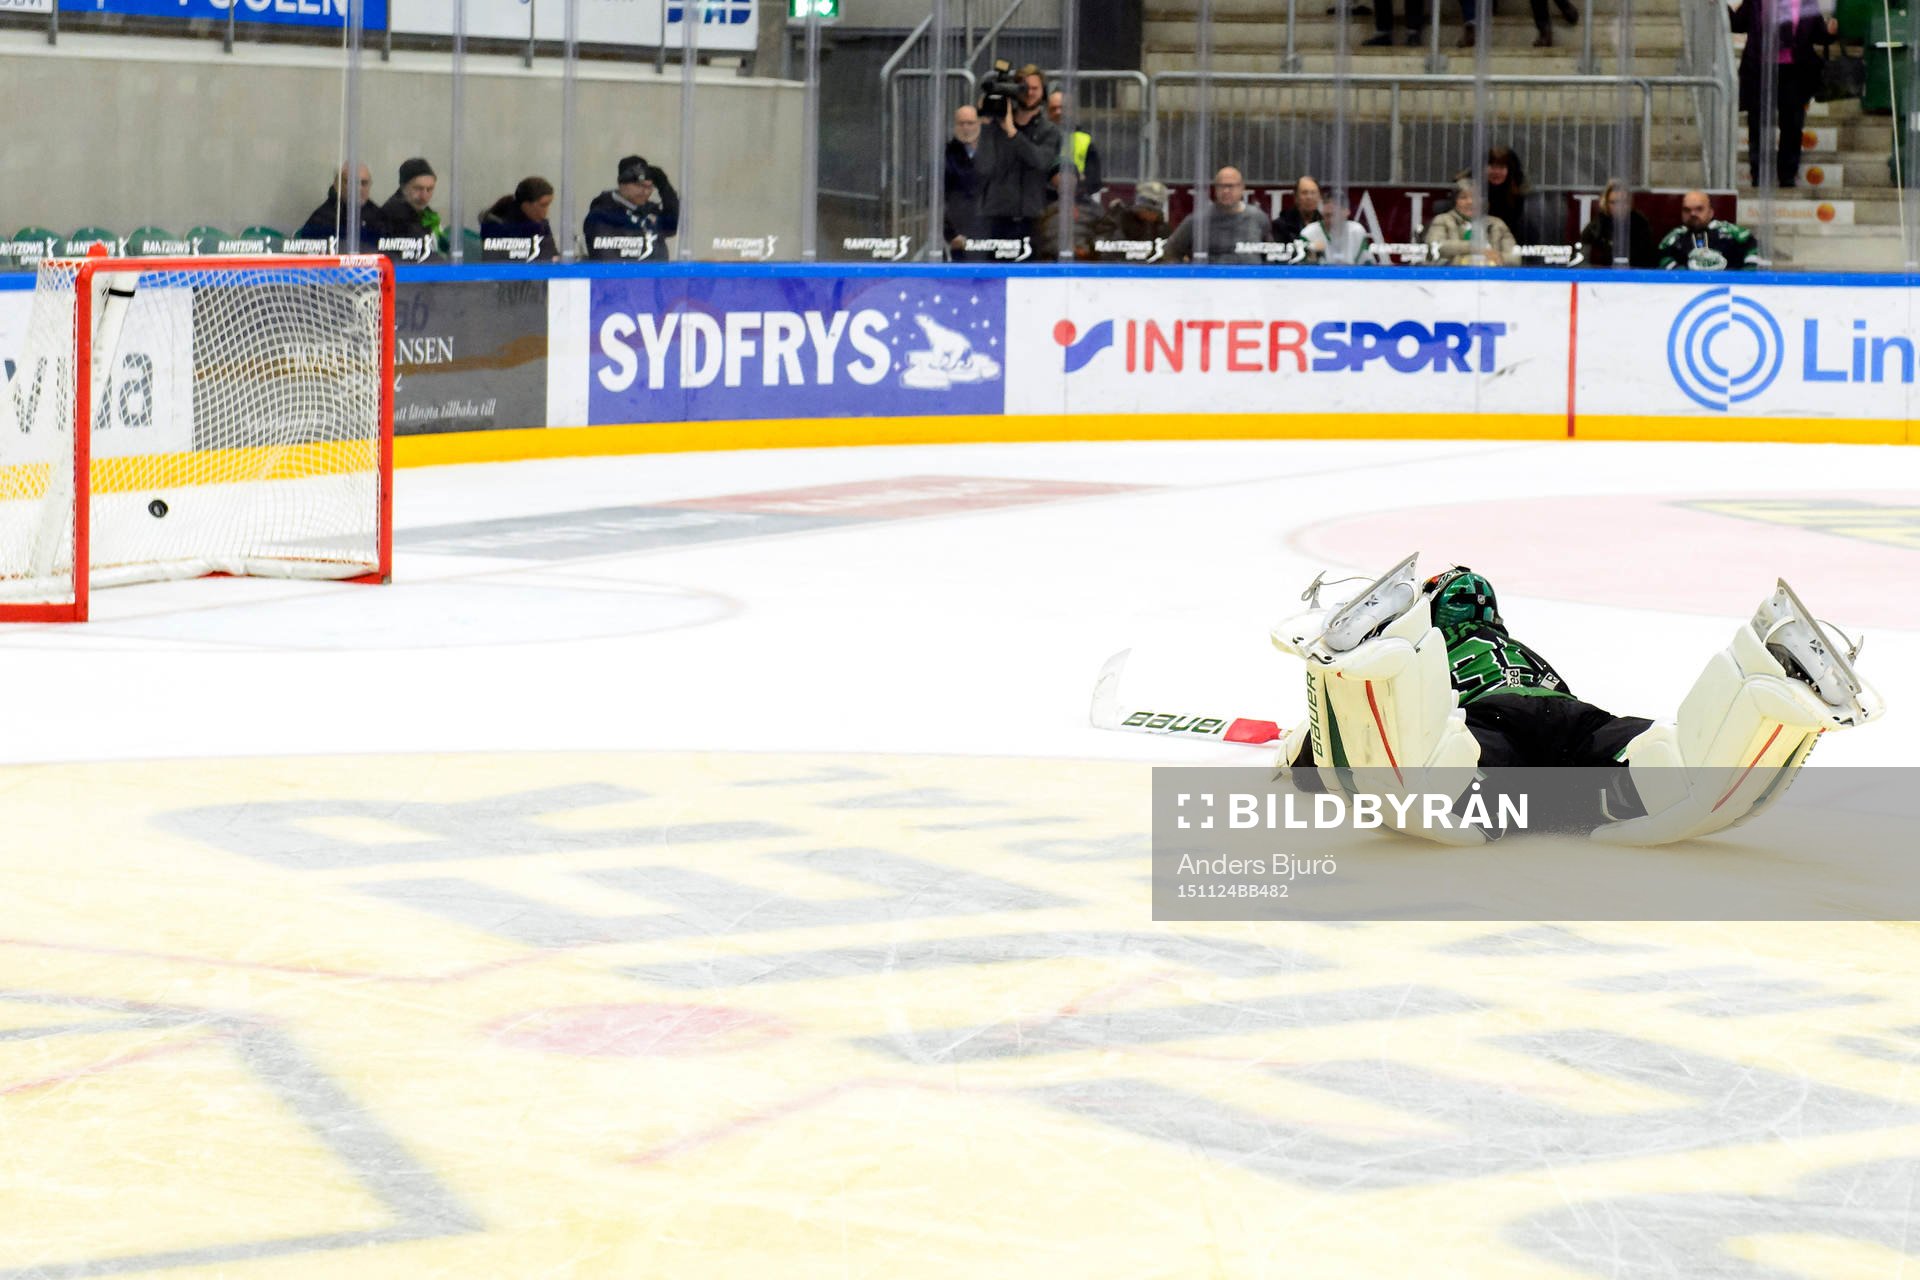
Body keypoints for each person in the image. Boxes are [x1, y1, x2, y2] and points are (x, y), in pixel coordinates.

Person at [1273, 557, 1882, 844]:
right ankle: (1771, 670)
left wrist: (1300, 753)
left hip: (1493, 730)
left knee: (1431, 778)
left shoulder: (1441, 650)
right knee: (1671, 766)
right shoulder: (1517, 647)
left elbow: (1333, 763)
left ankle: (1372, 644)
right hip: (1577, 726)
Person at [1731, 0, 1838, 187]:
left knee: (1792, 126)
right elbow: (1739, 23)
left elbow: (1818, 35)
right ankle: (1759, 175)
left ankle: (1787, 175)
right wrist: (1721, 8)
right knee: (1758, 125)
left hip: (1795, 72)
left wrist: (1830, 33)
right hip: (1760, 70)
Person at [974, 64, 1060, 246]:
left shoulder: (1049, 131)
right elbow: (983, 167)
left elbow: (1040, 161)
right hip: (996, 217)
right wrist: (985, 123)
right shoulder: (995, 128)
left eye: (1035, 88)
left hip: (1032, 218)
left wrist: (1013, 132)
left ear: (1043, 92)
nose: (1029, 93)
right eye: (1023, 88)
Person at [1163, 166, 1276, 264]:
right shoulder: (1198, 220)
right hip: (1209, 284)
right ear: (1215, 189)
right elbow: (1170, 252)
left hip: (1253, 282)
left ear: (1242, 188)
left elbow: (1271, 253)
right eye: (1221, 186)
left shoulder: (1258, 218)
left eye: (1231, 186)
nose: (1226, 191)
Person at [582, 155, 679, 262]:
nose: (645, 192)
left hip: (656, 276)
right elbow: (606, 257)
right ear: (622, 185)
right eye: (639, 186)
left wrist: (664, 187)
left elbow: (671, 228)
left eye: (649, 187)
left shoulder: (649, 210)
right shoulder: (602, 215)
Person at [1421, 181, 1518, 265]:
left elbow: (1515, 257)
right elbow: (1435, 246)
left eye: (1475, 197)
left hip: (1492, 278)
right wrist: (1475, 248)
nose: (1470, 202)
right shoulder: (1442, 220)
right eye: (1463, 198)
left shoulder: (1497, 224)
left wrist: (1499, 257)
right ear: (1455, 201)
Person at [1658, 190, 1758, 270]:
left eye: (1699, 209)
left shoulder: (1732, 233)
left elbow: (1753, 248)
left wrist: (1745, 277)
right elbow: (1662, 258)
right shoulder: (1673, 239)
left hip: (1729, 289)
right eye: (1687, 210)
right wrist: (1684, 276)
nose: (1693, 214)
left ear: (1710, 212)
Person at [375, 158, 447, 262]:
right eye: (418, 188)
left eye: (430, 189)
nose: (424, 196)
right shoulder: (393, 217)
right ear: (404, 187)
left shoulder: (427, 214)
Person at [1576, 179, 1659, 268]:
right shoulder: (1596, 228)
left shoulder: (1641, 226)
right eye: (1613, 202)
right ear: (1606, 204)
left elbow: (1649, 260)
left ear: (1630, 203)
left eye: (1623, 201)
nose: (1619, 206)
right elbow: (1583, 260)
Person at [296, 164, 379, 246]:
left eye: (364, 183)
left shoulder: (377, 215)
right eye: (351, 182)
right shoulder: (321, 219)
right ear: (337, 184)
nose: (359, 188)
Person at [478, 177, 558, 262]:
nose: (546, 211)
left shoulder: (541, 225)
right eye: (543, 205)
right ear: (526, 205)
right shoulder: (498, 226)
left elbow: (551, 255)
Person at [944, 106, 988, 260]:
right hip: (959, 236)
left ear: (979, 124)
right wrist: (950, 234)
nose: (966, 128)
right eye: (961, 123)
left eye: (970, 123)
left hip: (989, 235)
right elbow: (937, 199)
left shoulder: (994, 152)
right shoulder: (945, 154)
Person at [1046, 89, 1104, 201]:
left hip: (1078, 201)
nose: (1058, 112)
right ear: (1047, 112)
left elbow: (1094, 180)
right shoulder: (1040, 138)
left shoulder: (1084, 140)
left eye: (1062, 108)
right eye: (1053, 108)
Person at [1092, 180, 1171, 262]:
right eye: (1148, 209)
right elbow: (1102, 249)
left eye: (1156, 211)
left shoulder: (1161, 228)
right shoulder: (1118, 221)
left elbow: (1167, 255)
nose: (1153, 215)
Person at [1300, 201, 1378, 264]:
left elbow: (1367, 263)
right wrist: (1312, 254)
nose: (1332, 220)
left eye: (1335, 215)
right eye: (1327, 215)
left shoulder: (1357, 231)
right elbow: (1300, 268)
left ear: (1347, 212)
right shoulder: (1308, 233)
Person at [1273, 175, 1324, 242]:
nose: (1309, 197)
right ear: (1296, 197)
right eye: (1304, 193)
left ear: (1319, 197)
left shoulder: (1324, 224)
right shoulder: (1281, 225)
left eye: (1313, 193)